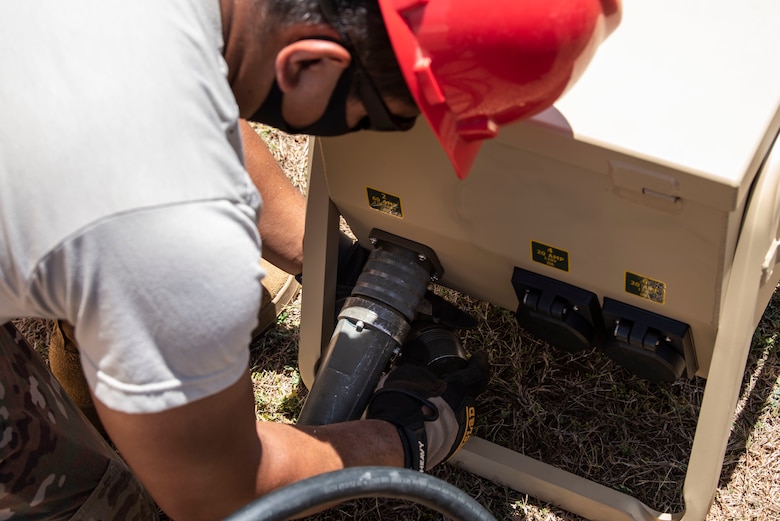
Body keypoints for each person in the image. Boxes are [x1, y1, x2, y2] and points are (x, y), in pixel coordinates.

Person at [0, 0, 620, 519]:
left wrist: (332, 263)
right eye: (386, 116)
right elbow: (222, 492)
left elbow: (195, 87)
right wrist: (404, 437)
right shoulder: (167, 224)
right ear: (307, 66)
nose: (380, 131)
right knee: (89, 499)